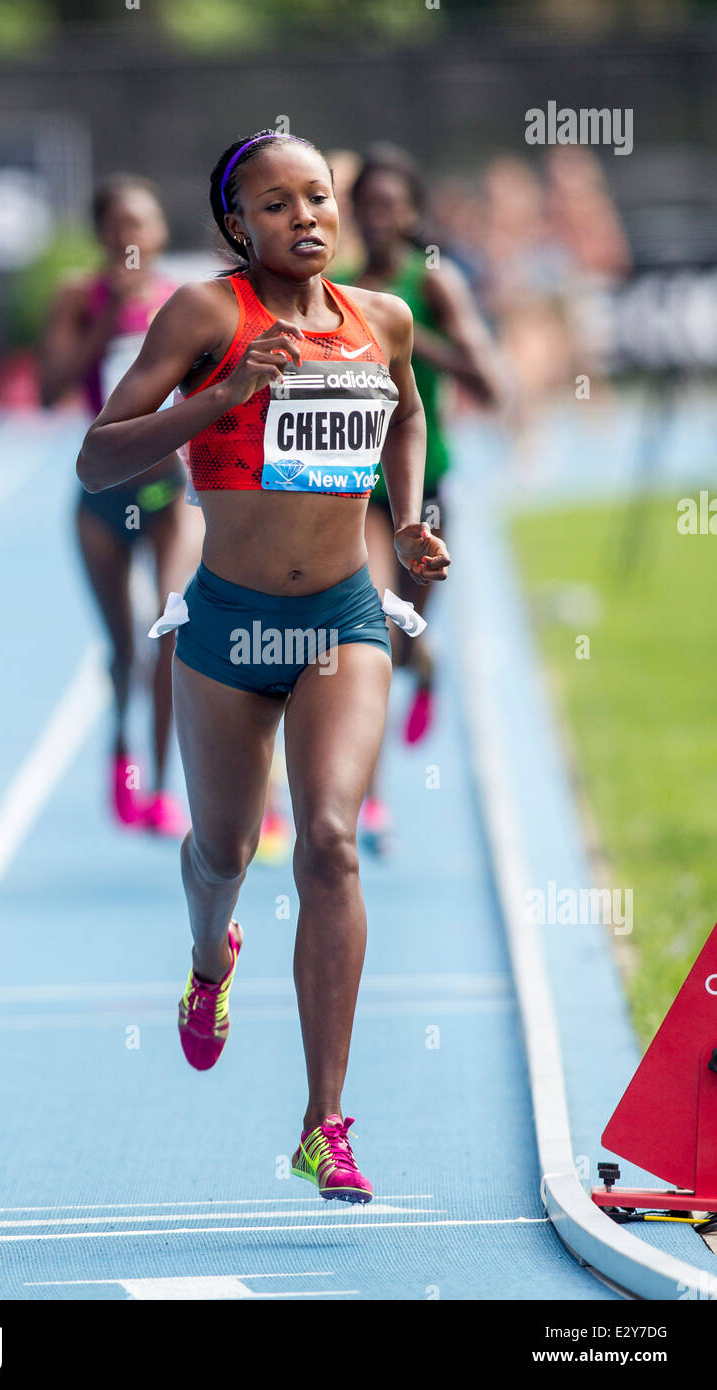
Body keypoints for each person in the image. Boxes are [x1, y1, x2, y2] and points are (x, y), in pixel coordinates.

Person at [77, 129, 450, 1203]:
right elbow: (100, 449)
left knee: (329, 842)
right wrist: (220, 396)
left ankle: (321, 1122)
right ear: (238, 223)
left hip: (338, 617)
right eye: (277, 204)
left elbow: (408, 410)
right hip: (229, 626)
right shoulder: (203, 314)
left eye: (318, 197)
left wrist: (410, 515)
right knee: (223, 848)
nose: (306, 218)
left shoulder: (383, 317)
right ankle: (209, 960)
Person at [337, 147, 503, 853]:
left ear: (410, 212)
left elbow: (490, 383)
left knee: (401, 644)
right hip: (355, 490)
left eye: (391, 206)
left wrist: (408, 342)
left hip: (424, 487)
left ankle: (425, 662)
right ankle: (373, 803)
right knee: (366, 638)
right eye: (366, 206)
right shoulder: (336, 288)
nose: (379, 219)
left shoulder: (430, 283)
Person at [40, 175, 202, 834]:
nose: (131, 239)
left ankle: (163, 788)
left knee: (170, 629)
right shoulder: (78, 298)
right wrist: (110, 316)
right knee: (121, 652)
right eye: (118, 228)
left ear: (161, 233)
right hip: (101, 499)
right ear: (102, 237)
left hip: (170, 498)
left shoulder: (185, 304)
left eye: (143, 226)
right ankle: (120, 745)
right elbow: (50, 390)